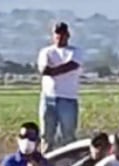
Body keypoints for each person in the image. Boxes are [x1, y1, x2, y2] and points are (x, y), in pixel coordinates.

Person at [36, 22, 83, 150]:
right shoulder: (46, 51)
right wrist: (58, 70)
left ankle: (70, 159)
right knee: (46, 135)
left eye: (62, 34)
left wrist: (53, 70)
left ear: (68, 35)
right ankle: (46, 158)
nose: (59, 37)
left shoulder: (75, 51)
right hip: (48, 98)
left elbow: (72, 65)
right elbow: (44, 70)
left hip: (68, 98)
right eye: (57, 34)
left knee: (68, 135)